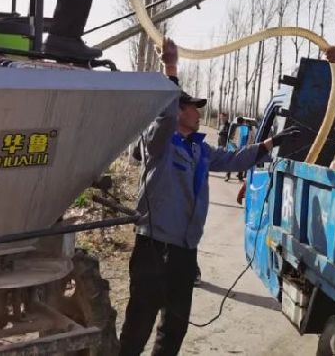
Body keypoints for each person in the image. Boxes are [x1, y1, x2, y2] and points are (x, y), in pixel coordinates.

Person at [119, 39, 299, 356]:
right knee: (138, 324)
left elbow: (233, 160)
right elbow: (162, 115)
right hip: (154, 247)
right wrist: (170, 67)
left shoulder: (199, 149)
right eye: (193, 107)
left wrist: (270, 143)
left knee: (174, 327)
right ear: (178, 111)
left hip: (184, 250)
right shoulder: (158, 143)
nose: (199, 113)